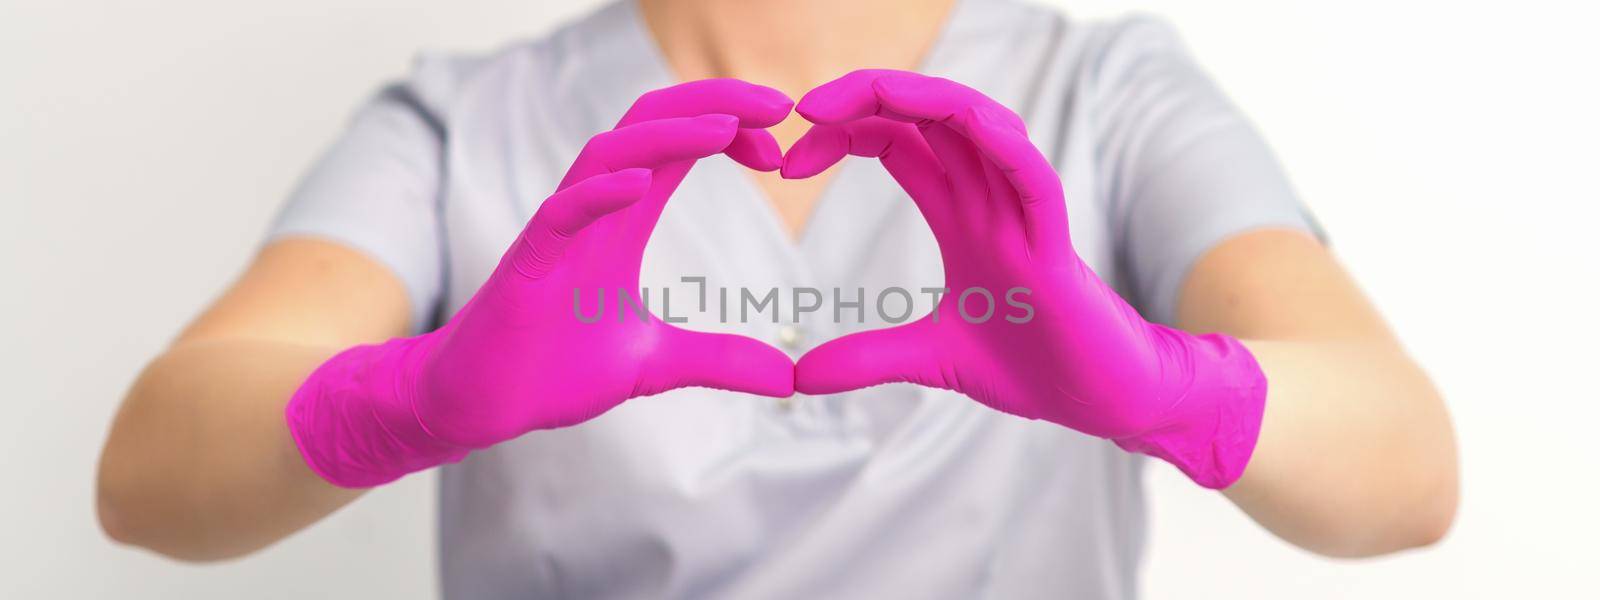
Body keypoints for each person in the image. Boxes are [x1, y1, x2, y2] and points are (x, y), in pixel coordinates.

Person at [95, 0, 1459, 597]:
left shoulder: (1105, 92)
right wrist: (406, 400)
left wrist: (1172, 389)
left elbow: (1406, 471)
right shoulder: (465, 123)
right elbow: (149, 474)